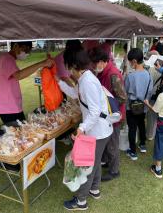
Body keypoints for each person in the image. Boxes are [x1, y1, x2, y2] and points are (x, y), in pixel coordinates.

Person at [59, 49, 113, 211]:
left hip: (98, 131)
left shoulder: (87, 81)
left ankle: (80, 201)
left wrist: (81, 128)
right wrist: (59, 82)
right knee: (94, 163)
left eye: (68, 67)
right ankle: (94, 190)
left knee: (87, 167)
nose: (68, 70)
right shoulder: (85, 78)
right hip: (100, 130)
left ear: (74, 65)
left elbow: (95, 111)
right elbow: (76, 94)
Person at [88, 47, 127, 182]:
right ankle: (106, 161)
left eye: (95, 63)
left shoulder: (113, 74)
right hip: (106, 115)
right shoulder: (102, 72)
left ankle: (114, 170)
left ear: (103, 61)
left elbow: (122, 97)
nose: (93, 66)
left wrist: (106, 105)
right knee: (106, 142)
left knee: (112, 144)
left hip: (114, 116)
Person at [0, 41, 53, 124]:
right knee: (21, 133)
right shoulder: (7, 59)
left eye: (29, 51)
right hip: (9, 108)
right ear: (16, 46)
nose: (27, 53)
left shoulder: (6, 58)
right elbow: (19, 75)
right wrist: (42, 63)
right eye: (25, 49)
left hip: (9, 107)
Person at [125, 48, 153, 160]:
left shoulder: (130, 76)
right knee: (141, 125)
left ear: (134, 61)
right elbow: (150, 90)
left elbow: (126, 90)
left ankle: (132, 151)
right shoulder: (148, 74)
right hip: (143, 105)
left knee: (132, 128)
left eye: (130, 61)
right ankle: (142, 145)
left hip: (131, 106)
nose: (130, 64)